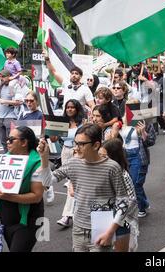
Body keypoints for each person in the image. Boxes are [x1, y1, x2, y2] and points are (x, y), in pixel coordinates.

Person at [38, 124, 131, 252]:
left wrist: (110, 231)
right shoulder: (73, 163)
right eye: (75, 143)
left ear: (96, 145)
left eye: (81, 144)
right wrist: (44, 157)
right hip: (78, 229)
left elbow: (123, 202)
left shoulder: (112, 167)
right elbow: (47, 181)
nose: (76, 148)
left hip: (102, 228)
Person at [0, 127, 45, 252]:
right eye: (7, 139)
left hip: (28, 220)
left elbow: (36, 196)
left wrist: (6, 196)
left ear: (24, 142)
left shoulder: (37, 163)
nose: (7, 142)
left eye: (11, 140)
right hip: (6, 217)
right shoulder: (4, 160)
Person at [99, 139, 139, 252]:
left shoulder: (123, 175)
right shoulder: (101, 172)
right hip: (103, 219)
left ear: (114, 157)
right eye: (99, 155)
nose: (101, 159)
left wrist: (116, 221)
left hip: (121, 222)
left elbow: (131, 201)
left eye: (104, 156)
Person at [56, 99, 86, 227]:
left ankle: (67, 216)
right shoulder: (63, 122)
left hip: (77, 152)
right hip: (65, 151)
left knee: (72, 184)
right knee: (73, 184)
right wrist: (52, 132)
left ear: (77, 109)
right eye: (67, 107)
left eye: (72, 107)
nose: (69, 109)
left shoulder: (82, 123)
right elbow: (55, 138)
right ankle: (78, 211)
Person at [0, 69, 23, 152]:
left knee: (11, 141)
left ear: (9, 77)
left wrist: (5, 101)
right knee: (3, 141)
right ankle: (6, 157)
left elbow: (19, 102)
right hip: (0, 116)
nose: (1, 78)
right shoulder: (0, 86)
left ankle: (12, 158)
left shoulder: (14, 85)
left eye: (3, 76)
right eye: (0, 76)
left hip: (10, 116)